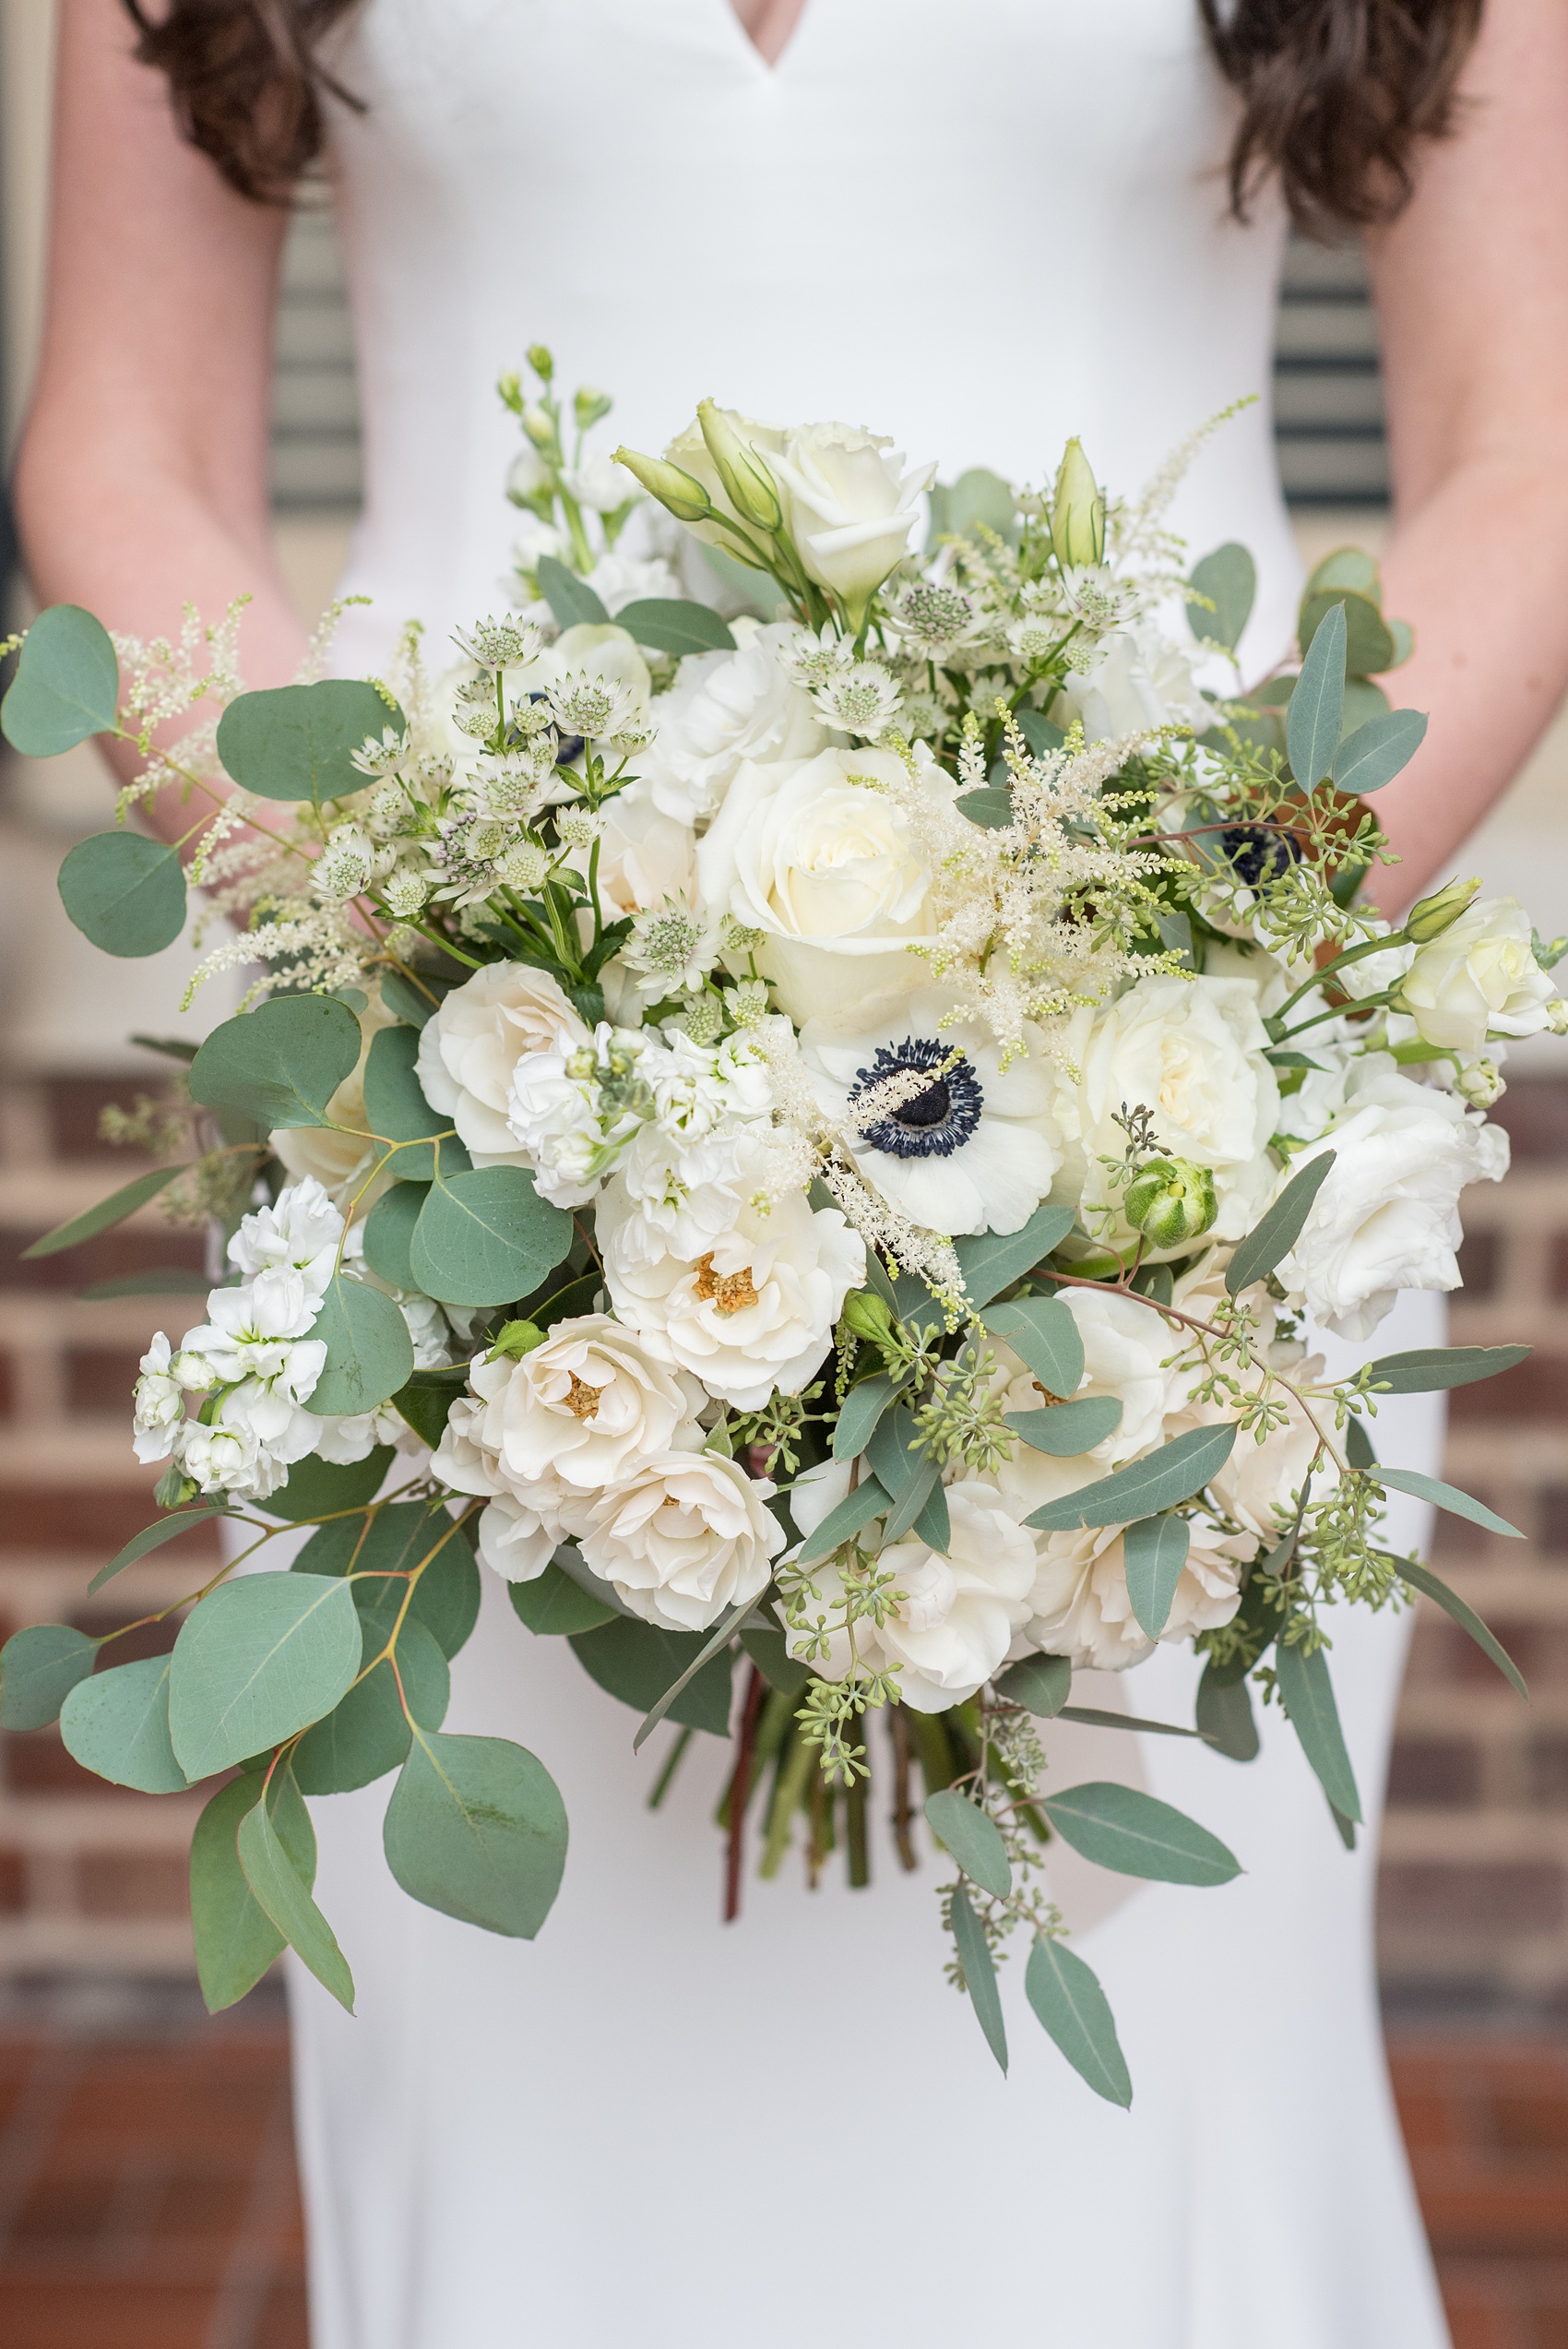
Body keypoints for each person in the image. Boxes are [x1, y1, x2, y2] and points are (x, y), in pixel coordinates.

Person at [17, 5, 1568, 2344]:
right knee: (538, 2141)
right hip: (445, 1128)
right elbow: (123, 440)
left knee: (1117, 2145)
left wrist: (1158, 983)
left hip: (1179, 1124)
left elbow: (1525, 447)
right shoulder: (454, 1079)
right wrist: (456, 977)